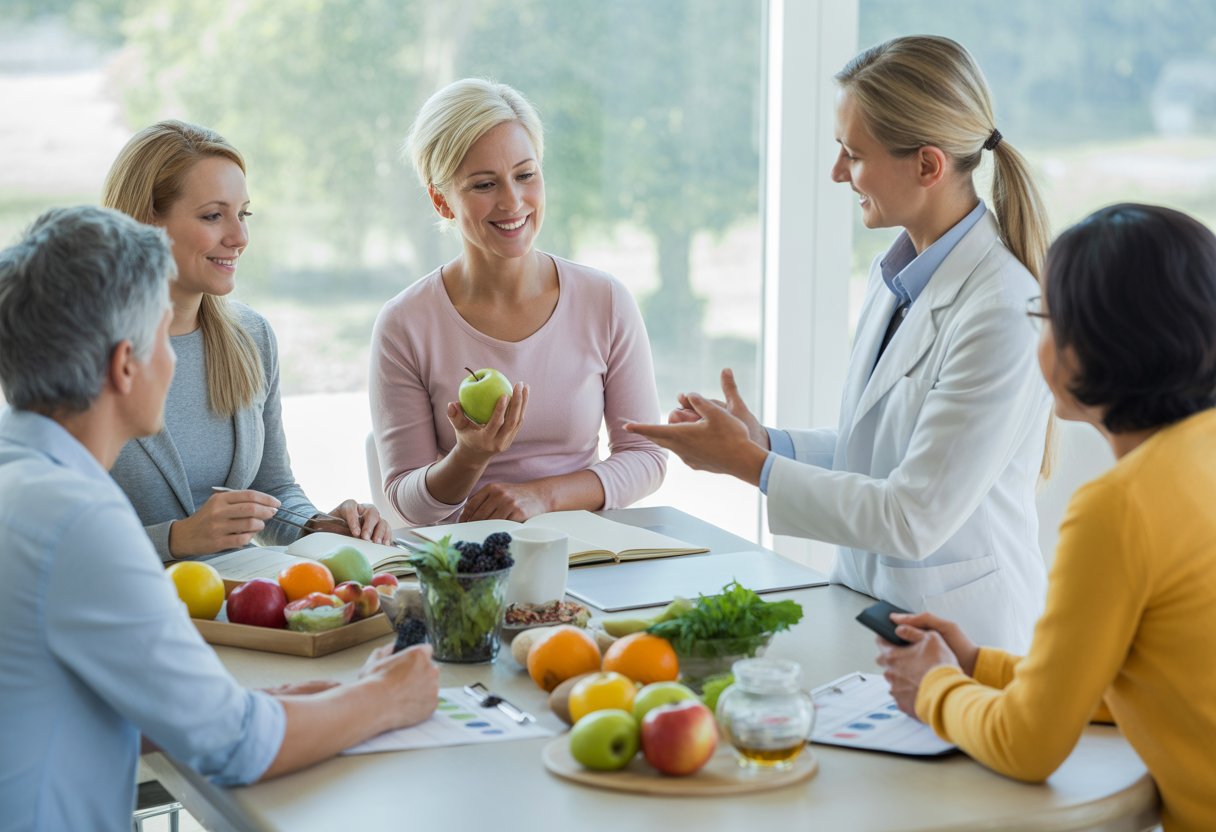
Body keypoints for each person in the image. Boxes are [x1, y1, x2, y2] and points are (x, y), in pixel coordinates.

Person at [0, 206, 440, 832]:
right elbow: (234, 748)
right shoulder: (78, 520)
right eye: (162, 337)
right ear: (125, 365)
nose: (175, 361)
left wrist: (273, 705)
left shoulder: (23, 480)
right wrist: (384, 698)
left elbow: (101, 702)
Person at [627, 35, 1053, 652]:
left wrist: (750, 466)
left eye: (853, 155)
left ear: (928, 165)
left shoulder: (1002, 310)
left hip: (967, 642)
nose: (836, 173)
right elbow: (878, 454)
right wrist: (763, 442)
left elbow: (911, 516)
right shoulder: (900, 275)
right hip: (871, 610)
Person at [877, 204, 1216, 831]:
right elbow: (1143, 679)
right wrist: (979, 665)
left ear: (1097, 342)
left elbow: (1029, 745)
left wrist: (932, 688)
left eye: (1044, 319)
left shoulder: (1119, 507)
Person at [371, 78, 666, 525]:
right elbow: (403, 499)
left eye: (525, 175)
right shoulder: (405, 323)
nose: (513, 202)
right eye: (484, 184)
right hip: (469, 568)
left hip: (586, 550)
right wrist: (469, 458)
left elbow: (646, 455)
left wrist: (543, 497)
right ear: (441, 201)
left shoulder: (605, 300)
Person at [102, 120, 392, 559]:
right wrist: (175, 540)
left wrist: (317, 526)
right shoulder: (81, 353)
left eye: (244, 214)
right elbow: (47, 535)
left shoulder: (251, 338)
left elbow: (271, 490)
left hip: (240, 610)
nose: (239, 238)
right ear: (146, 224)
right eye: (213, 215)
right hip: (129, 607)